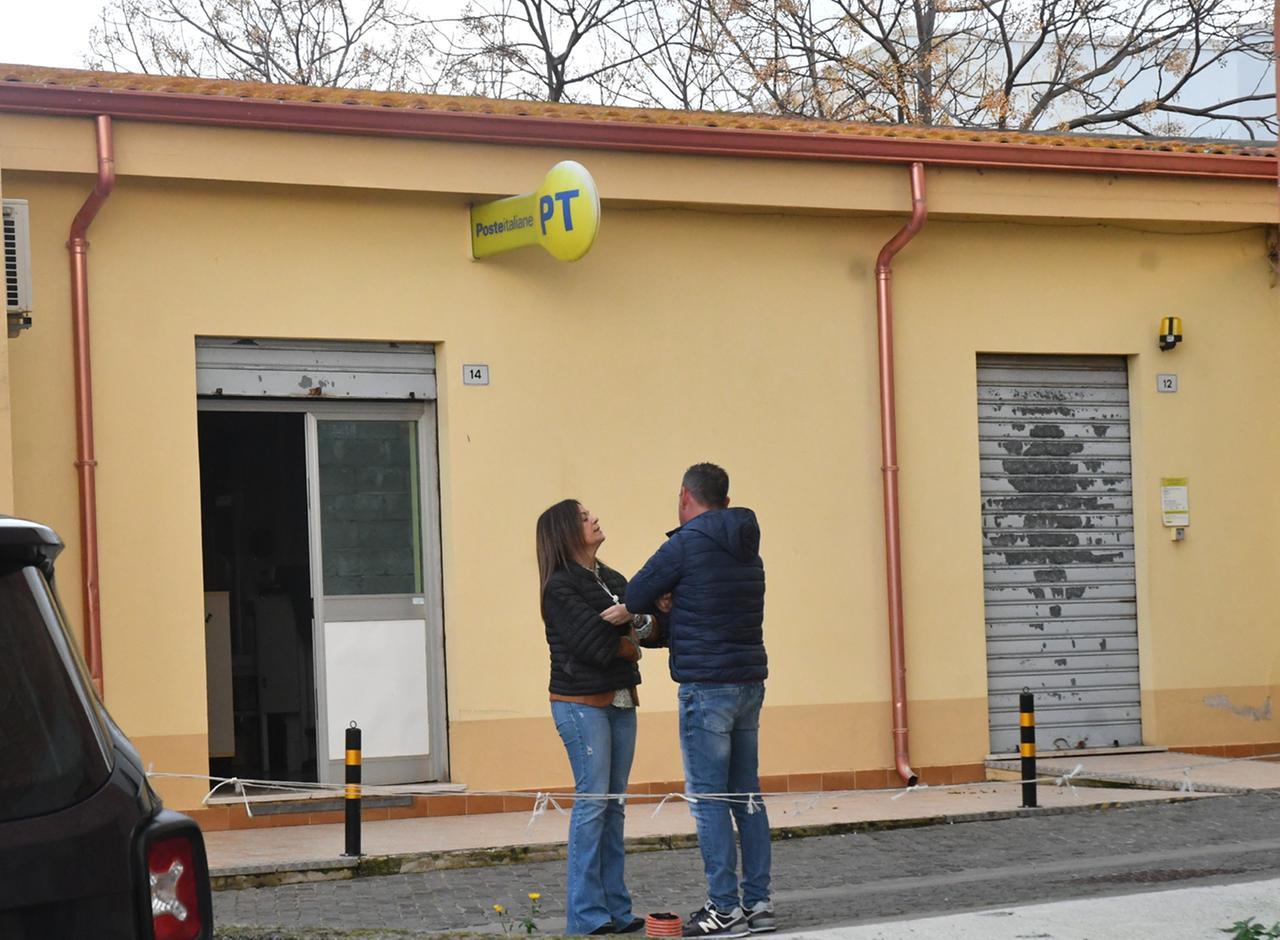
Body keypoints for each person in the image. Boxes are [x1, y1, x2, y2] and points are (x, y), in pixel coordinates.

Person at [626, 463, 773, 939]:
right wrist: (680, 599)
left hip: (705, 687)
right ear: (726, 502)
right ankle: (758, 904)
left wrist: (666, 600)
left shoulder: (684, 544)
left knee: (709, 800)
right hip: (749, 682)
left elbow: (634, 595)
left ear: (685, 496)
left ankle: (723, 909)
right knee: (746, 796)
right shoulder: (748, 547)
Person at [536, 499, 655, 936]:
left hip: (622, 699)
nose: (595, 518)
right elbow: (596, 647)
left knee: (614, 806)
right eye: (585, 517)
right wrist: (631, 639)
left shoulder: (610, 578)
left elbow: (654, 626)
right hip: (580, 704)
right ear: (567, 530)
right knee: (592, 805)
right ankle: (586, 917)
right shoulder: (560, 587)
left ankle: (616, 910)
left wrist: (635, 626)